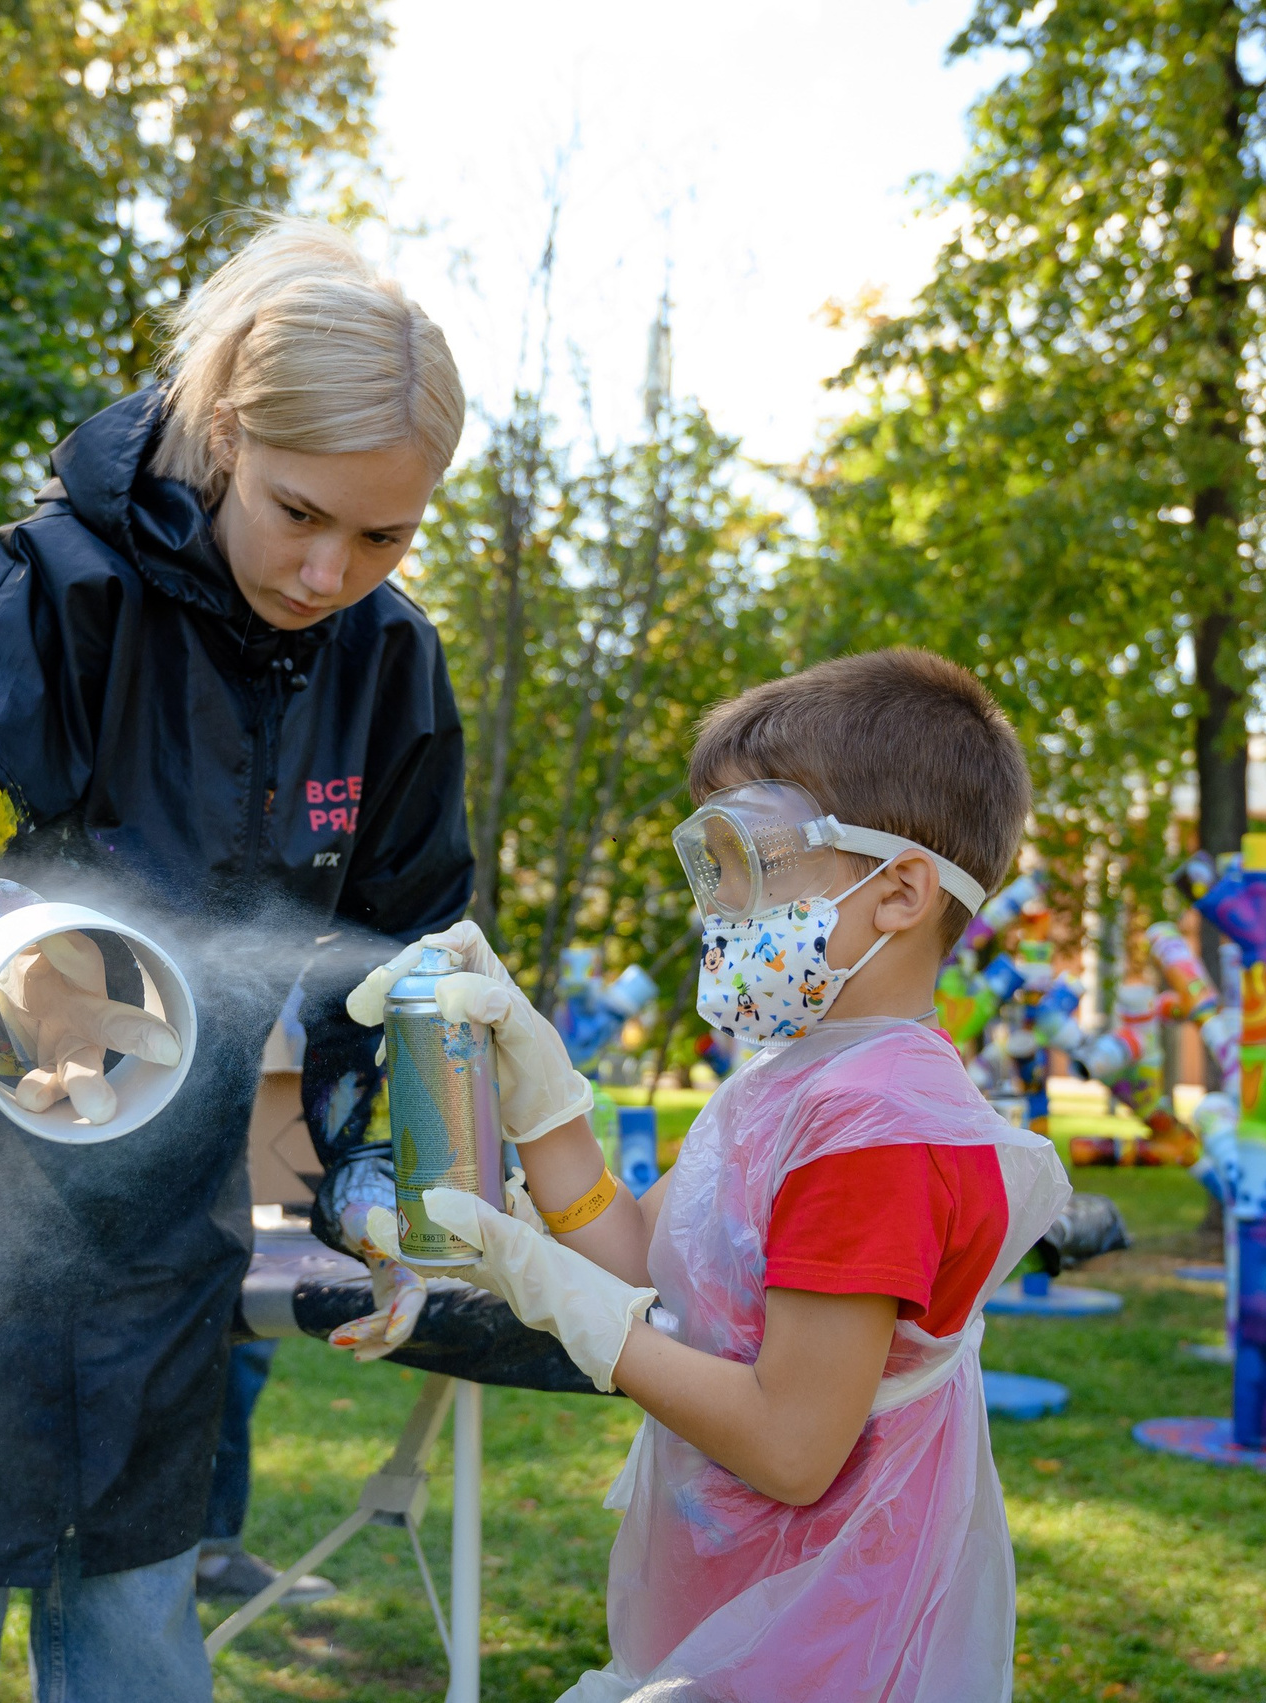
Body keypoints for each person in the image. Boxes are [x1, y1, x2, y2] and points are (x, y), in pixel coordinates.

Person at [0, 220, 472, 1703]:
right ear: (228, 431)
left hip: (165, 1247)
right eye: (298, 511)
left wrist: (381, 1174)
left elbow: (402, 963)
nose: (329, 569)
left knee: (143, 1646)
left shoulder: (390, 665)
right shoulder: (53, 585)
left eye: (383, 535)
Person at [351, 649, 1072, 1701]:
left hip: (819, 1644)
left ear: (900, 890)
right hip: (742, 1611)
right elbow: (645, 1252)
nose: (717, 903)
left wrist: (562, 1297)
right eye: (714, 861)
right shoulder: (792, 1080)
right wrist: (540, 1089)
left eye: (752, 860)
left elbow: (790, 1446)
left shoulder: (875, 1131)